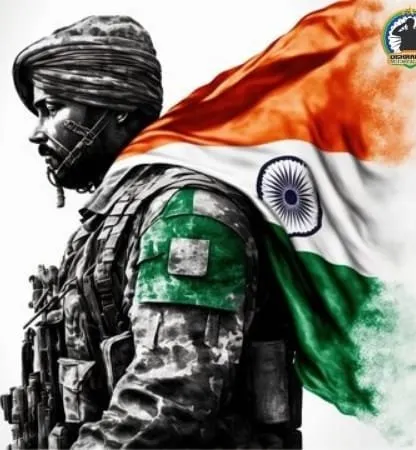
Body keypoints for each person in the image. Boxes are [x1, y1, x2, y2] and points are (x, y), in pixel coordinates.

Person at [2, 15, 301, 449]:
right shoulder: (109, 220)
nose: (36, 133)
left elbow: (173, 399)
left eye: (50, 108)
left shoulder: (186, 214)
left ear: (117, 105)